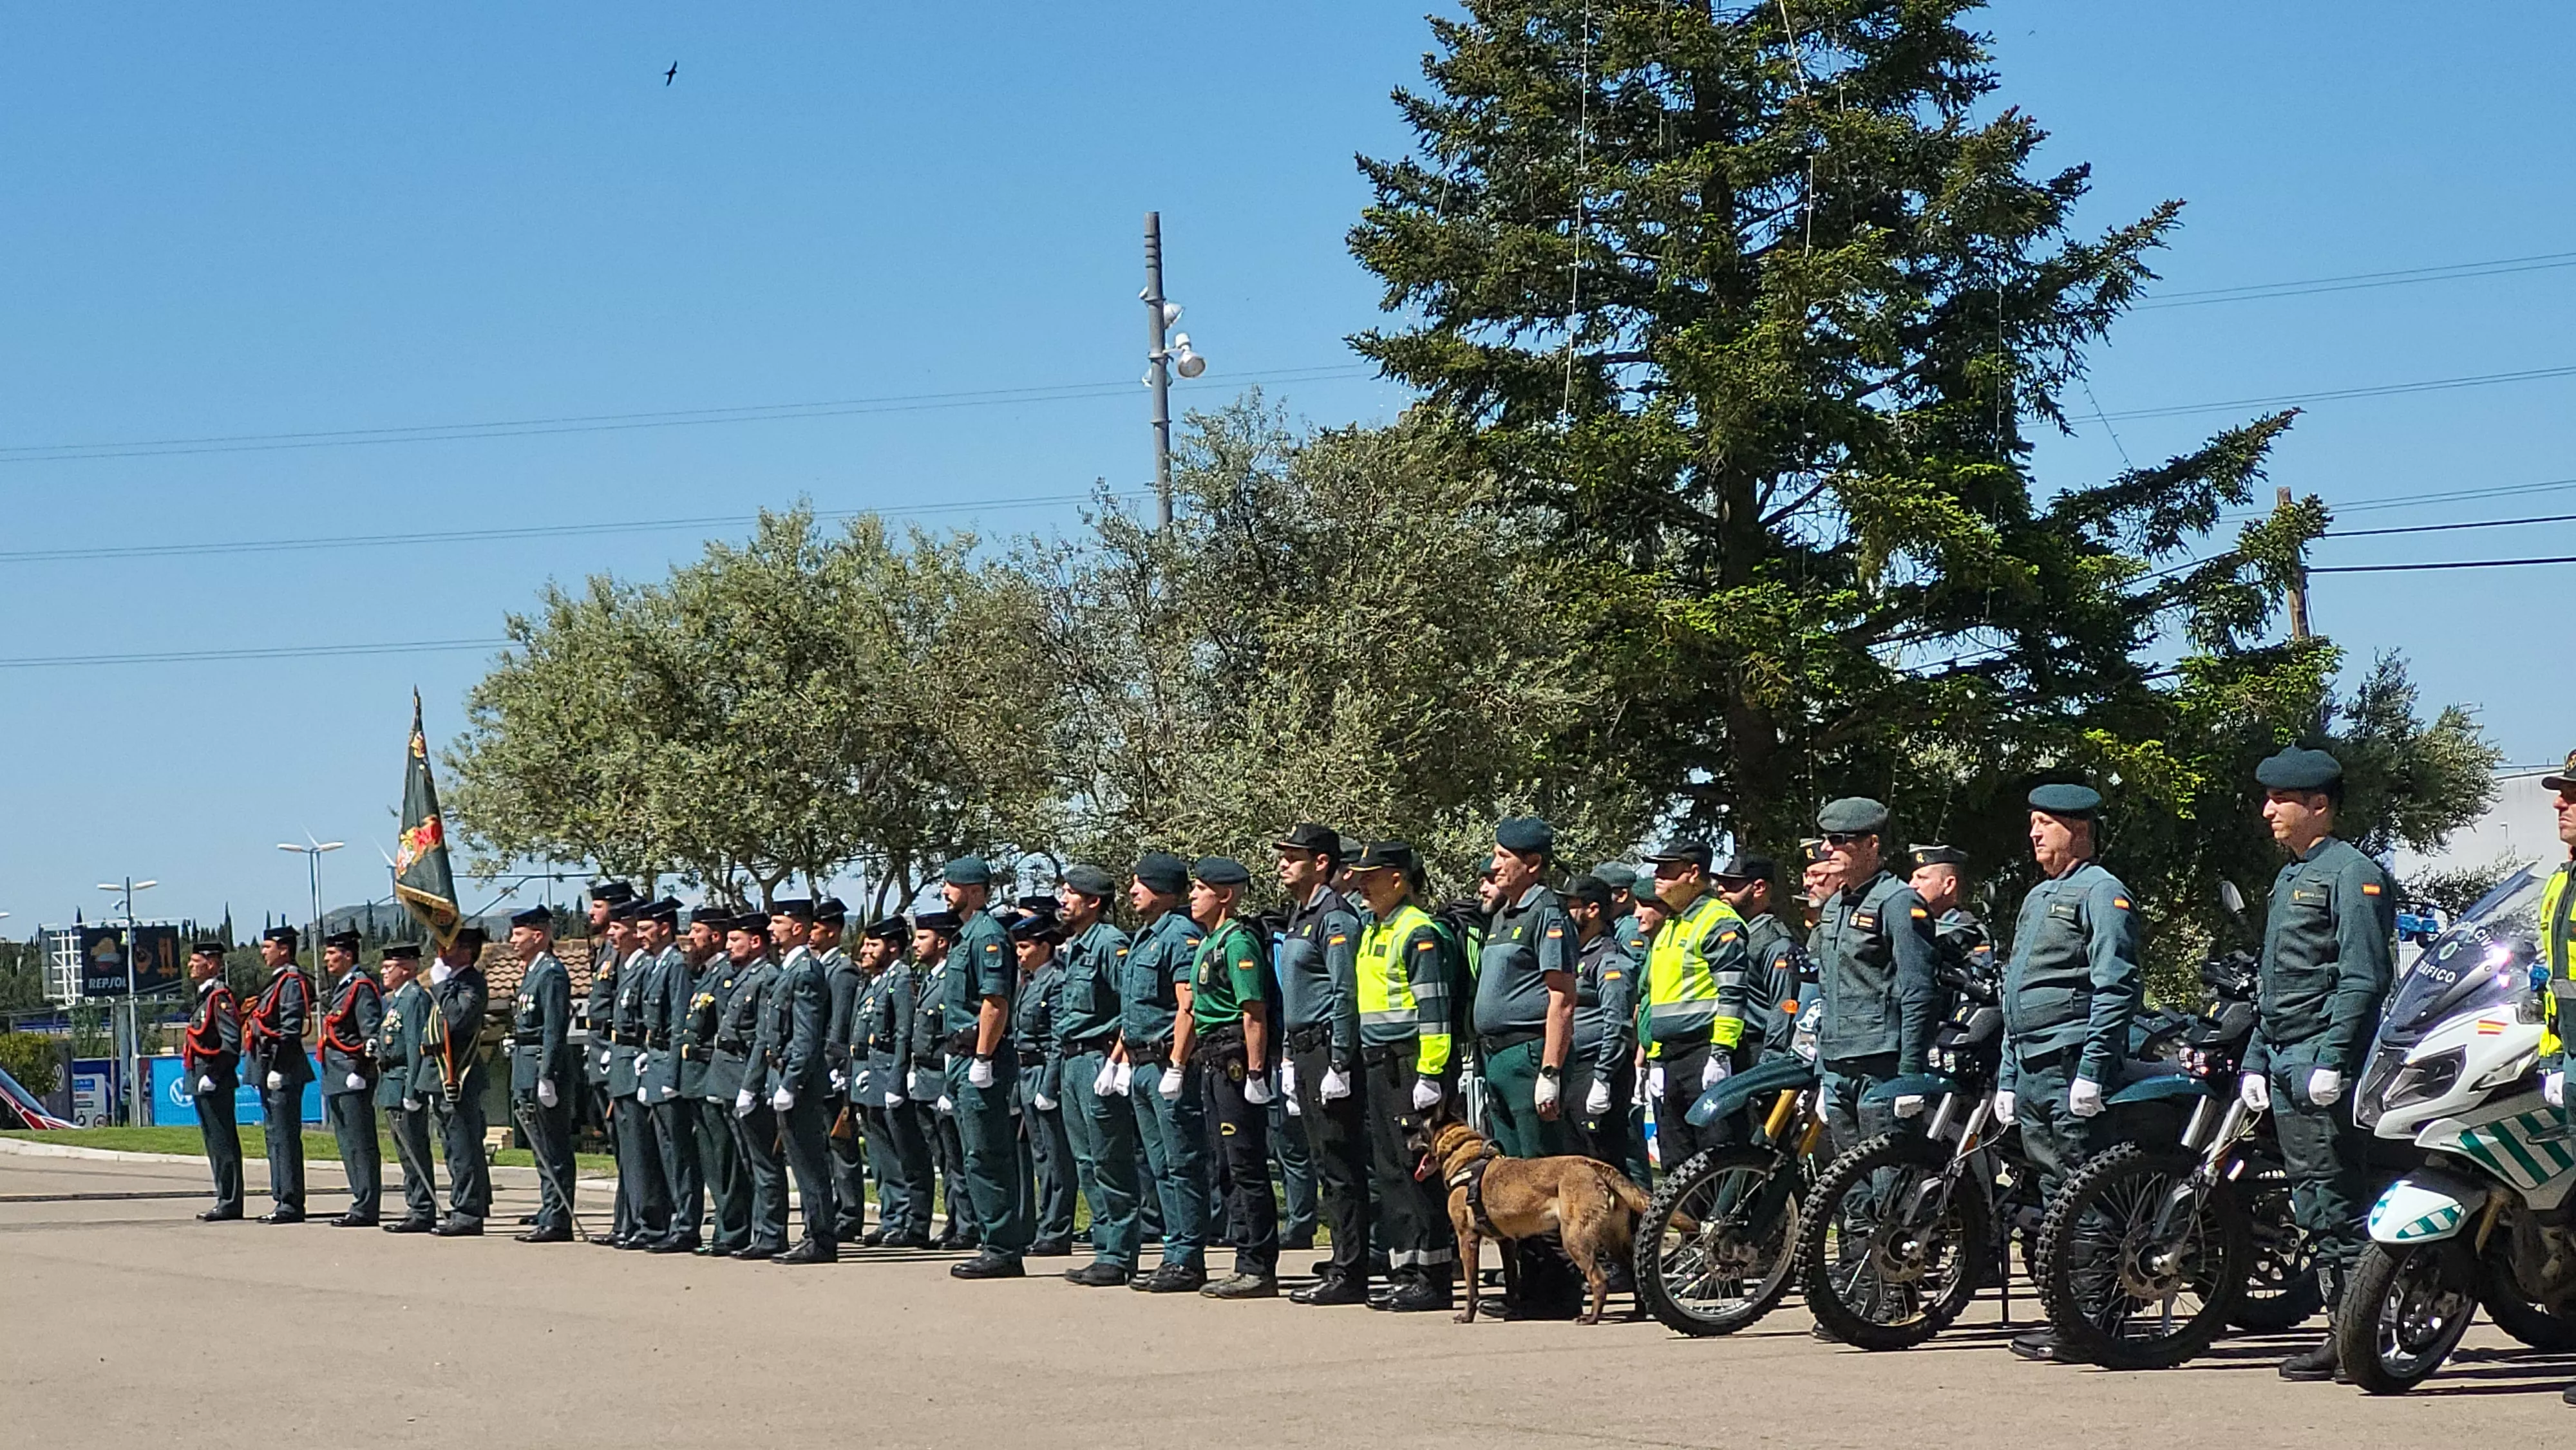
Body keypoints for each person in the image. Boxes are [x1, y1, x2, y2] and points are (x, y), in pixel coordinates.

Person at [2240, 747, 2395, 1382]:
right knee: (2312, 1202)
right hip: (2286, 1057)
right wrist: (2256, 1057)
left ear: (2319, 805)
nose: (2268, 810)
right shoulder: (2291, 878)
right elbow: (2274, 983)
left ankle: (2360, 1337)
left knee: (2337, 1202)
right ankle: (2342, 1330)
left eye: (2281, 799)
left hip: (2319, 1060)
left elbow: (2363, 977)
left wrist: (2333, 1059)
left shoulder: (2351, 873)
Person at [1993, 784, 2143, 1364]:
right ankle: (2070, 1317)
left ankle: (2097, 1321)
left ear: (2078, 830)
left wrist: (2094, 1069)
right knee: (2057, 1196)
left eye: (2044, 824)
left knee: (2086, 1193)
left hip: (2070, 1061)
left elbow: (2115, 984)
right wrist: (2008, 1077)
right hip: (2033, 1066)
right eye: (2032, 823)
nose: (2033, 833)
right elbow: (2016, 995)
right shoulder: (2039, 897)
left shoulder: (2103, 892)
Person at [1347, 840, 1457, 1312]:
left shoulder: (1417, 930)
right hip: (1380, 1061)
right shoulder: (1376, 929)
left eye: (1371, 878)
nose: (1361, 887)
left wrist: (1430, 1073)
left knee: (1418, 1171)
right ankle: (1405, 1270)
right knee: (1391, 1171)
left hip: (1410, 1061)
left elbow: (1434, 1009)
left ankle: (1433, 1275)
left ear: (1398, 879)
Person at [1274, 824, 1372, 1306]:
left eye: (1294, 856)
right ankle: (1342, 1258)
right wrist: (1290, 1056)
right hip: (1306, 1048)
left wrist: (1339, 1060)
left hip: (1329, 1047)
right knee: (1323, 1159)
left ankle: (1352, 1269)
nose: (1283, 863)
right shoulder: (1303, 915)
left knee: (1340, 1161)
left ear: (1322, 863)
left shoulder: (1335, 917)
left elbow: (1344, 992)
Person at [1810, 798, 1942, 1155]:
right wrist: (1824, 1070)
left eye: (1839, 840)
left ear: (1872, 844)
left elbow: (1918, 990)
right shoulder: (1835, 906)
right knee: (1845, 1182)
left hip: (1881, 1065)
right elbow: (1828, 989)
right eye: (1826, 839)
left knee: (1887, 1175)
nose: (1827, 848)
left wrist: (1911, 1074)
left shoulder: (1898, 901)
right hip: (1837, 1065)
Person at [1182, 856, 1282, 1299]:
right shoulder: (1209, 942)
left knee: (1246, 1163)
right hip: (1212, 1059)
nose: (1192, 896)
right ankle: (1243, 1257)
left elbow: (1252, 1012)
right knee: (1225, 1164)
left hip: (1234, 1060)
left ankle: (1258, 1265)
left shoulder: (1237, 942)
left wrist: (1257, 1072)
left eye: (1200, 889)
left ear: (1224, 895)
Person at [1117, 851, 1214, 1293]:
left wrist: (1177, 1063)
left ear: (1161, 888)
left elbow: (1186, 1005)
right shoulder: (1145, 936)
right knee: (1160, 1166)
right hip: (1141, 1064)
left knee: (1182, 1163)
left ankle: (1187, 1257)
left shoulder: (1179, 935)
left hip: (1165, 1065)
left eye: (1140, 883)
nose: (1132, 890)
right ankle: (1174, 1252)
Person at [937, 859, 1033, 1279]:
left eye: (953, 885)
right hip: (962, 1057)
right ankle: (994, 1242)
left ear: (976, 891)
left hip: (982, 1059)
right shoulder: (966, 936)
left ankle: (1002, 1248)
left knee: (987, 1154)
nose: (945, 891)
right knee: (974, 1155)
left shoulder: (988, 935)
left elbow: (995, 1002)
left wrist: (982, 1057)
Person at [1049, 865, 1142, 1285]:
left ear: (1094, 902)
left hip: (1097, 1060)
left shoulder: (1109, 943)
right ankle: (1105, 1248)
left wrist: (1117, 1061)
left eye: (1071, 893)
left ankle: (1120, 1253)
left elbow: (1130, 1008)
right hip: (1072, 1060)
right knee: (1087, 1162)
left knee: (1109, 1159)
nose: (1063, 900)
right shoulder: (1076, 947)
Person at [1634, 842, 1754, 1163]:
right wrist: (1656, 1060)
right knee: (1676, 1162)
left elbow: (1732, 993)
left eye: (1667, 869)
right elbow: (1658, 999)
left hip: (1706, 1052)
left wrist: (1721, 1053)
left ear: (1693, 873)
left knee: (1718, 1157)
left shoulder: (1717, 921)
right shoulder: (1671, 926)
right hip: (1671, 1057)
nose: (1657, 875)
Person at [1477, 818, 1579, 1160]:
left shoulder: (1547, 913)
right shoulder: (1502, 915)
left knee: (1540, 1167)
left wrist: (1550, 1071)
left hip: (1528, 1055)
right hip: (1496, 1057)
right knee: (1508, 1168)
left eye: (1504, 857)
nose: (1495, 866)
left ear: (1533, 864)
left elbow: (1562, 998)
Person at [2530, 752, 2576, 1406]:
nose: (2559, 803)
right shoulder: (2562, 880)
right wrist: (2551, 1061)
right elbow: (2553, 987)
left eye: (2572, 794)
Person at [761, 899, 840, 1265]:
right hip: (786, 1074)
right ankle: (814, 1233)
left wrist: (790, 1083)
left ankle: (820, 1238)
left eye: (777, 922)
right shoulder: (790, 969)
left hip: (801, 1083)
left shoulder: (806, 971)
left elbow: (807, 1037)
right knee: (801, 1160)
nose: (771, 929)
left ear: (797, 928)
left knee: (809, 1163)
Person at [1564, 878, 1646, 1182]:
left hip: (1596, 1071)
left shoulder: (1611, 960)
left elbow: (1618, 1023)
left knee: (1604, 1164)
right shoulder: (1575, 957)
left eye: (1571, 906)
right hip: (1575, 1070)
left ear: (1593, 910)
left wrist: (1603, 1077)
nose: (1564, 914)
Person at [506, 905, 578, 1243]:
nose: (512, 940)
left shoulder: (551, 973)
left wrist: (547, 1074)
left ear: (538, 936)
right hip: (525, 1062)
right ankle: (549, 1208)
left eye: (518, 934)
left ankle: (558, 1218)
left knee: (552, 1147)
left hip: (540, 1065)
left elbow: (553, 1028)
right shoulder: (532, 972)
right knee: (539, 1145)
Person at [721, 912, 790, 1258]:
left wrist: (751, 1085)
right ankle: (759, 1231)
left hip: (753, 1076)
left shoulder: (766, 977)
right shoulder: (744, 975)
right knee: (750, 1161)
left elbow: (764, 1037)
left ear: (756, 942)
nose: (729, 945)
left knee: (765, 1162)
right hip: (735, 1073)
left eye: (736, 940)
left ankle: (772, 1234)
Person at [634, 898, 701, 1253]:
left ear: (664, 929)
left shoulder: (675, 965)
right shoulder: (656, 965)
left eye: (646, 929)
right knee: (665, 1149)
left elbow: (679, 1023)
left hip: (668, 1064)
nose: (640, 936)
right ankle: (674, 1220)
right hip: (656, 1058)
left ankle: (687, 1225)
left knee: (679, 1151)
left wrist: (672, 1075)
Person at [681, 908, 749, 1255]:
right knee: (711, 1158)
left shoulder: (725, 975)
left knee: (725, 1158)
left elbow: (726, 1030)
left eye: (697, 931)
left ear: (716, 936)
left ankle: (733, 1229)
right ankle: (724, 1226)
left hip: (716, 1072)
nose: (691, 938)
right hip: (699, 1075)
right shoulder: (706, 974)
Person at [604, 899, 668, 1249]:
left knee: (642, 1152)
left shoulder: (646, 966)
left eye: (618, 928)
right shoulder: (627, 966)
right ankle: (632, 1221)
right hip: (622, 1062)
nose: (611, 934)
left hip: (635, 1062)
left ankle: (650, 1223)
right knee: (629, 1151)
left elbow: (649, 1022)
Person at [1011, 911, 1075, 1257]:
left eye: (1025, 947)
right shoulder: (1030, 981)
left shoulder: (1056, 982)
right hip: (1026, 1074)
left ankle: (1057, 1229)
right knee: (1040, 1155)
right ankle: (1045, 1223)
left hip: (1044, 1073)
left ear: (1045, 947)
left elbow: (1056, 1039)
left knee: (1056, 1157)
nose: (1019, 954)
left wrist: (1049, 1087)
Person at [909, 911, 973, 1250]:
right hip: (925, 1078)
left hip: (943, 1076)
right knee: (944, 1158)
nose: (916, 944)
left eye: (923, 938)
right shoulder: (930, 978)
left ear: (943, 942)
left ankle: (967, 1224)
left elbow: (951, 1035)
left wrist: (949, 1085)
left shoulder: (950, 979)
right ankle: (954, 1219)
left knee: (956, 1156)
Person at [243, 925, 313, 1223]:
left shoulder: (291, 982)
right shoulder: (277, 981)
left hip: (282, 1068)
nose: (263, 952)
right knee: (274, 1136)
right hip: (268, 1066)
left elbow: (290, 1029)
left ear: (284, 949)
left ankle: (291, 1202)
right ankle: (281, 1197)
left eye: (267, 947)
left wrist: (279, 1068)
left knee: (284, 1138)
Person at [426, 926, 492, 1236]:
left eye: (449, 947)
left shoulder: (472, 983)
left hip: (460, 1075)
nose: (442, 952)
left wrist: (441, 984)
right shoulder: (454, 983)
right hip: (442, 1075)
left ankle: (468, 1213)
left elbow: (456, 1019)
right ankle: (463, 1206)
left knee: (464, 1148)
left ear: (466, 952)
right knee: (453, 1147)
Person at [1710, 853, 1805, 1068]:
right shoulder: (1733, 934)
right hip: (1729, 1047)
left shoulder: (1774, 942)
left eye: (1732, 884)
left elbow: (1785, 1005)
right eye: (1721, 883)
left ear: (1759, 888)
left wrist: (1771, 1060)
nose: (1721, 889)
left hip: (1757, 1050)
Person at [846, 916, 907, 1247]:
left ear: (893, 947)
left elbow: (903, 1034)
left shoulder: (901, 980)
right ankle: (889, 1215)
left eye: (873, 945)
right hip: (866, 1075)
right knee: (878, 1155)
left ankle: (901, 1218)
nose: (865, 951)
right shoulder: (872, 983)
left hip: (885, 1075)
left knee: (894, 1155)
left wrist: (897, 1079)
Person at [316, 930, 384, 1229]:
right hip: (337, 1075)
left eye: (332, 953)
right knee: (347, 1144)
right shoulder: (344, 987)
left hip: (352, 1075)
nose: (326, 959)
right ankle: (360, 1199)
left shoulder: (361, 987)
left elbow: (370, 1034)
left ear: (348, 955)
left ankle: (366, 1206)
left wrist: (360, 1070)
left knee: (360, 1143)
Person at [373, 943, 440, 1233]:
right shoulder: (397, 999)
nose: (384, 972)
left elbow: (415, 1047)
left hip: (404, 1082)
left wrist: (413, 1090)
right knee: (404, 1151)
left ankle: (422, 1209)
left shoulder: (414, 998)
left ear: (408, 969)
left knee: (414, 1150)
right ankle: (416, 1205)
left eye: (390, 967)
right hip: (392, 1080)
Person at [815, 899, 870, 1245]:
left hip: (833, 1069)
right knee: (823, 1145)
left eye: (817, 929)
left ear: (833, 931)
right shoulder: (819, 966)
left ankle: (849, 1214)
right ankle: (833, 1209)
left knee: (841, 1145)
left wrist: (834, 1066)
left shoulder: (842, 971)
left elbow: (839, 1025)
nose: (811, 935)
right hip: (816, 1068)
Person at [181, 941, 245, 1221]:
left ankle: (230, 1201)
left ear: (211, 964)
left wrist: (213, 1075)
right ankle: (225, 1197)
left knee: (222, 1142)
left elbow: (231, 1043)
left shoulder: (220, 997)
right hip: (202, 1077)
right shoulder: (204, 997)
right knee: (214, 1142)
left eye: (196, 961)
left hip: (214, 1080)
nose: (190, 966)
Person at [578, 881, 635, 1148]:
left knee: (627, 1132)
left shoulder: (623, 952)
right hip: (599, 1046)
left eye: (598, 906)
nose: (591, 912)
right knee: (614, 1132)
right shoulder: (605, 949)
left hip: (613, 1047)